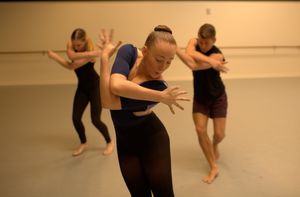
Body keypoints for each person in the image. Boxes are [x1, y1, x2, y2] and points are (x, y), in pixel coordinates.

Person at [98, 27, 189, 196]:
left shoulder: (159, 87)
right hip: (125, 142)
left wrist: (160, 96)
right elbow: (116, 86)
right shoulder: (129, 51)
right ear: (145, 50)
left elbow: (108, 100)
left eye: (169, 61)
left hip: (152, 139)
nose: (163, 67)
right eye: (159, 59)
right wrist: (104, 58)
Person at [47, 28, 114, 156]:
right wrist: (95, 53)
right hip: (82, 88)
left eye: (79, 45)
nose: (76, 47)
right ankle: (83, 142)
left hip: (95, 87)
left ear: (84, 42)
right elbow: (70, 61)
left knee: (95, 120)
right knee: (76, 118)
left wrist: (94, 53)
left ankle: (109, 142)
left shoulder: (90, 52)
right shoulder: (89, 53)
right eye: (74, 45)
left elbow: (72, 64)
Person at [176, 23, 228, 184]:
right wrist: (210, 63)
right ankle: (213, 167)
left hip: (218, 96)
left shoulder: (218, 56)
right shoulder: (194, 42)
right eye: (201, 41)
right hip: (200, 98)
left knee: (219, 135)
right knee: (200, 129)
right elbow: (190, 53)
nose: (203, 45)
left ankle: (214, 144)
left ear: (215, 40)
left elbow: (192, 63)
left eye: (207, 43)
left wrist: (212, 61)